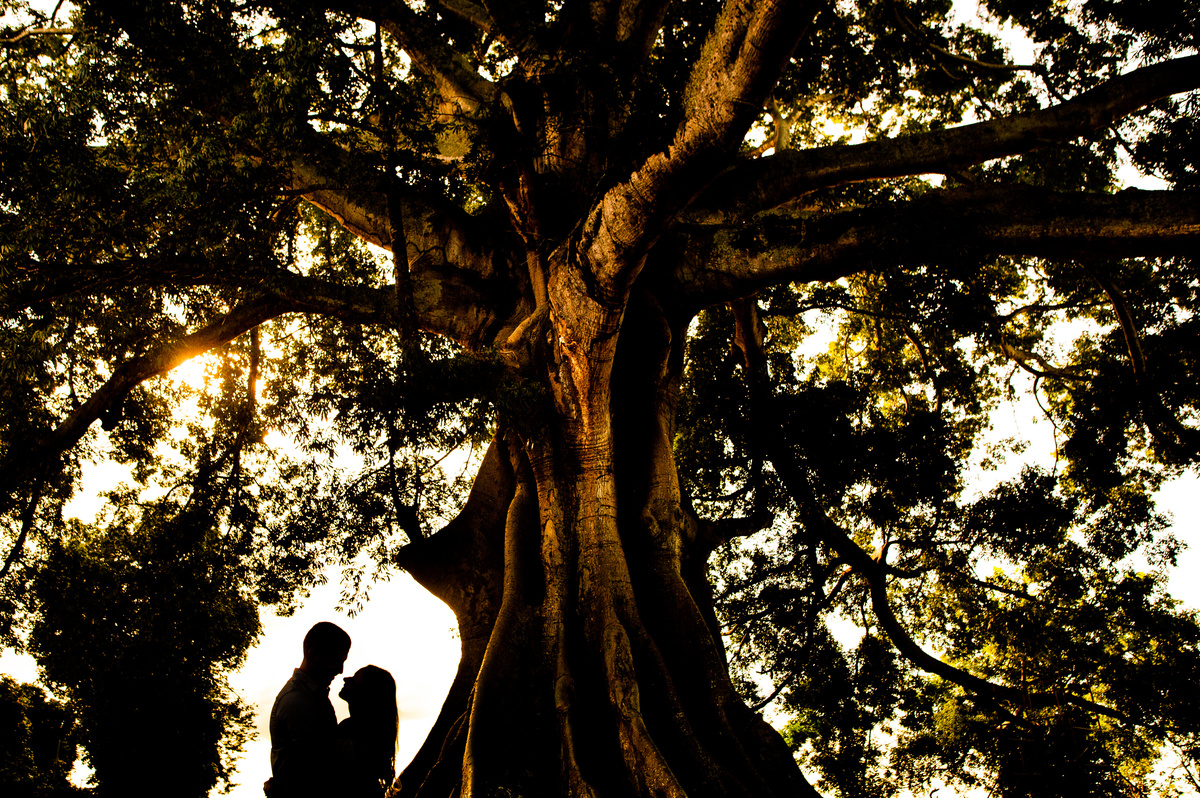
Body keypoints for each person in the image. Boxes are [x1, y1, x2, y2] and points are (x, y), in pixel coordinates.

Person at [265, 622, 352, 798]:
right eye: (334, 661)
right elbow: (318, 767)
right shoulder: (297, 701)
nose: (340, 670)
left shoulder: (313, 696)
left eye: (342, 662)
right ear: (312, 655)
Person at [337, 665, 399, 798]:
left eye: (353, 681)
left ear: (366, 693)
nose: (345, 679)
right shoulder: (373, 737)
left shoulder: (350, 730)